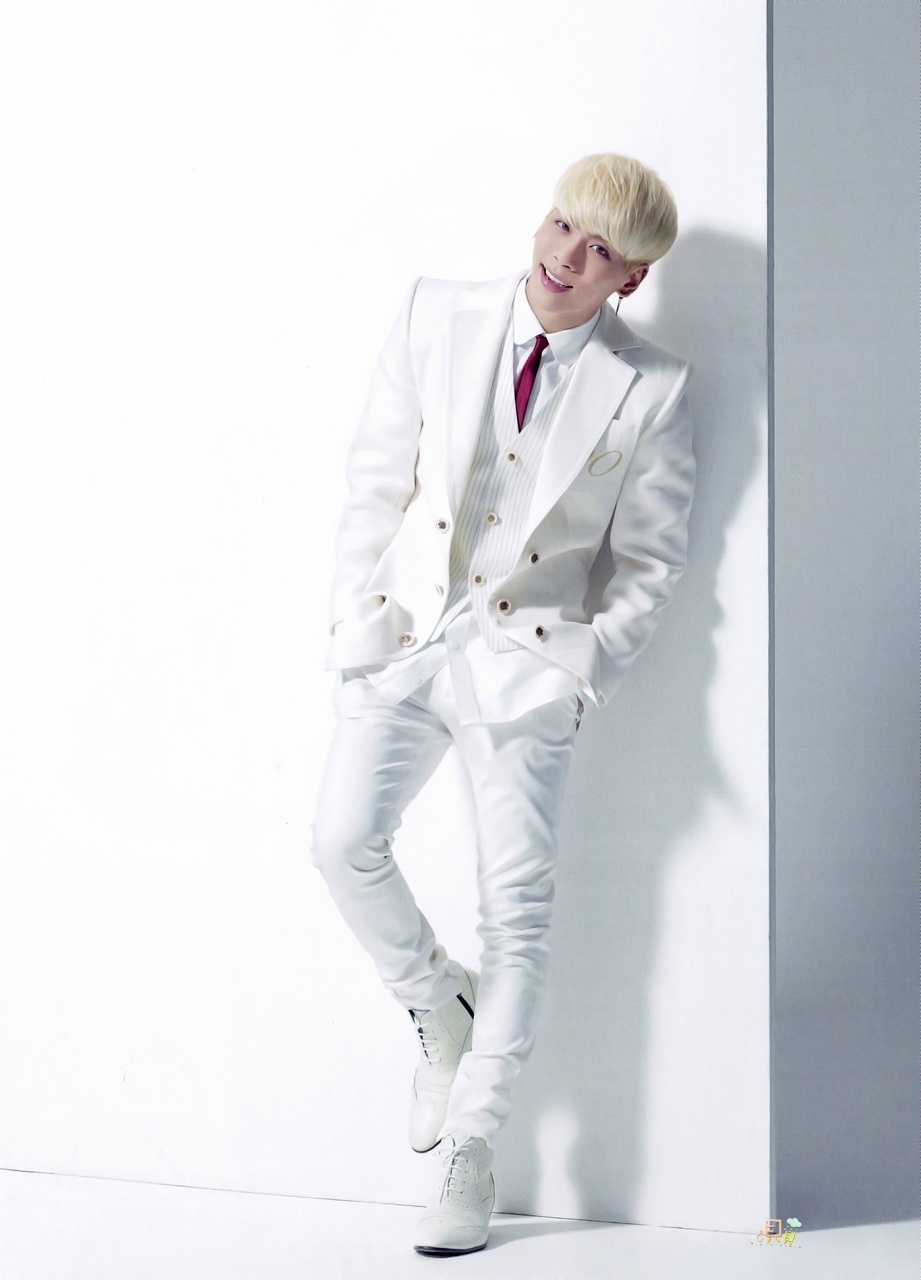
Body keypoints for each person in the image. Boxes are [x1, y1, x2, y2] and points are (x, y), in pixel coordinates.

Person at [312, 152, 695, 1257]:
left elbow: (652, 563)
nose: (566, 256)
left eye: (600, 250)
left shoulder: (652, 386)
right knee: (340, 842)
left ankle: (474, 1150)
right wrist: (352, 625)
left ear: (629, 279)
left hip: (529, 670)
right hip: (408, 641)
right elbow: (375, 478)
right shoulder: (437, 313)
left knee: (515, 914)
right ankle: (441, 1004)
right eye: (562, 224)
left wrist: (584, 673)